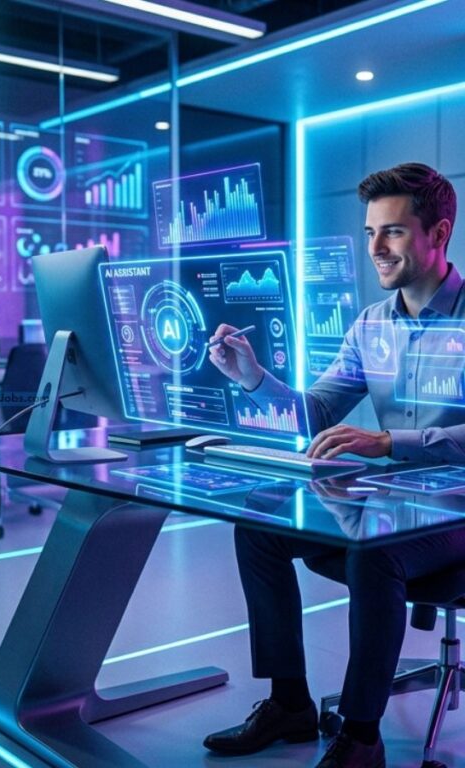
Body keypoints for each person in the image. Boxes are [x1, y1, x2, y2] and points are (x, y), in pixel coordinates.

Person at [203, 162, 465, 768]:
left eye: (393, 232)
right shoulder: (371, 324)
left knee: (374, 550)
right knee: (260, 526)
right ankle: (290, 701)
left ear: (438, 233)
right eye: (370, 231)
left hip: (455, 508)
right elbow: (317, 410)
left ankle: (363, 736)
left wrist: (389, 442)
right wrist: (255, 379)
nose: (375, 247)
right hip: (397, 498)